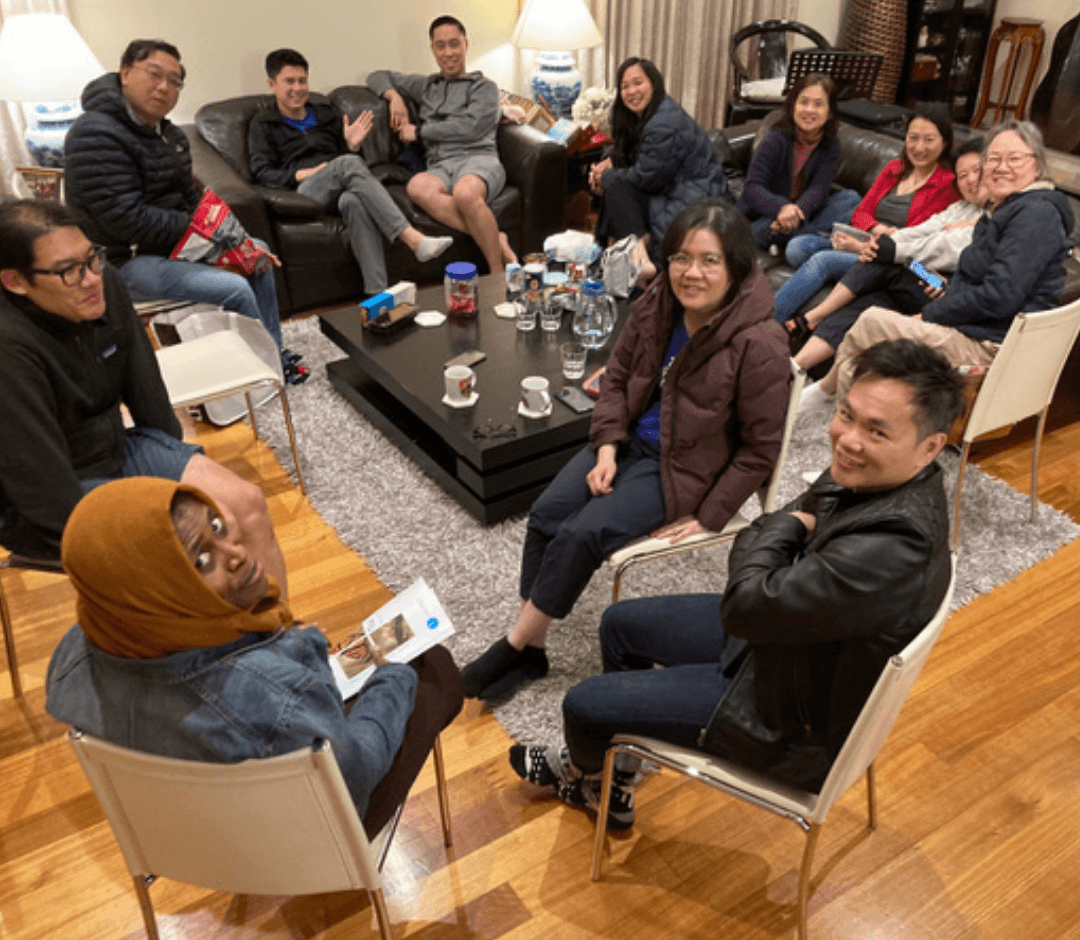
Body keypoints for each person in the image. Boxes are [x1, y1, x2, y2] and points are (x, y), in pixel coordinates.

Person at [508, 339, 964, 829]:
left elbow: (748, 594)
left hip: (786, 717)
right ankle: (618, 767)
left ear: (931, 446)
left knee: (582, 704)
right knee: (618, 623)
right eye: (847, 415)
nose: (848, 439)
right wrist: (783, 531)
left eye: (877, 431)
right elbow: (769, 536)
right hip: (789, 644)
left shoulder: (893, 544)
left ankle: (585, 776)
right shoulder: (868, 478)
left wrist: (785, 529)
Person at [461, 200, 791, 703]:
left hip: (680, 470)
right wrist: (608, 446)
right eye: (681, 257)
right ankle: (535, 645)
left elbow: (760, 450)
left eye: (709, 260)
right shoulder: (660, 299)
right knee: (547, 515)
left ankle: (513, 644)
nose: (691, 273)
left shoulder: (760, 343)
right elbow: (617, 377)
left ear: (737, 267)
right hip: (630, 443)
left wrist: (712, 514)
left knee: (580, 533)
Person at [45, 477, 464, 835]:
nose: (238, 554)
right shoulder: (276, 694)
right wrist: (392, 679)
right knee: (434, 668)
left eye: (216, 524)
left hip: (189, 838)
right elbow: (354, 778)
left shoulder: (74, 656)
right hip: (304, 842)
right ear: (158, 591)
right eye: (203, 560)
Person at [0, 199, 286, 596]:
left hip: (118, 450)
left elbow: (148, 393)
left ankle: (284, 640)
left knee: (245, 503)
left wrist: (177, 471)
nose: (90, 279)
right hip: (52, 494)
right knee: (185, 550)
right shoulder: (9, 347)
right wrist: (161, 517)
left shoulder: (106, 286)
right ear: (15, 281)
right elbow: (40, 483)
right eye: (68, 271)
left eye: (91, 258)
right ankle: (224, 651)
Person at [63, 39, 307, 384]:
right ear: (126, 73)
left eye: (174, 81)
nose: (164, 87)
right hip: (124, 261)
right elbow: (124, 218)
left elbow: (192, 201)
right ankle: (255, 375)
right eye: (154, 74)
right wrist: (208, 238)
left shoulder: (169, 134)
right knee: (234, 288)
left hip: (172, 247)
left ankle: (270, 355)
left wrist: (233, 241)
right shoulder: (94, 133)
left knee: (259, 255)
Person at [801, 120, 1073, 413]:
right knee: (868, 276)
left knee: (833, 262)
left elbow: (940, 250)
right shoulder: (955, 204)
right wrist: (876, 242)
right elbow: (891, 222)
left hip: (948, 301)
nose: (973, 179)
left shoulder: (1013, 213)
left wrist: (885, 248)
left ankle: (812, 333)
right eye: (990, 161)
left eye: (1013, 159)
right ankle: (818, 373)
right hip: (932, 282)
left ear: (1036, 165)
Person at [249, 48, 453, 297]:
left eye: (302, 80)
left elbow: (358, 168)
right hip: (304, 193)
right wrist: (305, 173)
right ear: (272, 84)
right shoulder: (263, 123)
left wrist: (352, 146)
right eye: (289, 81)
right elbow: (261, 172)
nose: (298, 87)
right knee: (346, 164)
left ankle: (377, 298)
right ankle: (412, 238)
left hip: (340, 187)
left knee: (353, 200)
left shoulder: (325, 113)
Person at [791, 137, 989, 372]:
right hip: (923, 274)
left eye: (977, 171)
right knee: (868, 306)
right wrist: (884, 244)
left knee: (892, 260)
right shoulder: (960, 208)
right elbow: (919, 231)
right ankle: (796, 367)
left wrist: (888, 248)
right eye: (963, 175)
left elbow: (945, 247)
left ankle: (815, 315)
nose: (971, 180)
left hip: (943, 287)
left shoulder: (993, 216)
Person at [774, 103, 959, 323]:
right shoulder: (894, 169)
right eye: (913, 138)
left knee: (823, 261)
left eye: (929, 140)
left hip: (892, 262)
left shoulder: (947, 185)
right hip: (866, 242)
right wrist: (875, 230)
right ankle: (853, 283)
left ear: (944, 142)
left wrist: (860, 246)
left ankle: (763, 324)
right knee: (797, 247)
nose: (919, 147)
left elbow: (913, 242)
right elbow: (861, 212)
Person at [366, 16, 516, 276]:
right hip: (440, 166)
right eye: (441, 46)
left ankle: (496, 272)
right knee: (417, 186)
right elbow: (377, 75)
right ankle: (496, 238)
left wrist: (421, 131)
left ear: (466, 45)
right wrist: (393, 96)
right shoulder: (426, 86)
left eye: (454, 44)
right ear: (433, 49)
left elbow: (471, 128)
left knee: (465, 194)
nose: (448, 53)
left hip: (478, 159)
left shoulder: (484, 87)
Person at [588, 57, 729, 283]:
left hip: (695, 197)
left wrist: (605, 176)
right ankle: (627, 254)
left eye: (638, 83)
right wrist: (610, 162)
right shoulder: (649, 113)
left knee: (615, 186)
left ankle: (632, 258)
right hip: (671, 185)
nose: (632, 91)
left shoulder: (663, 122)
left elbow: (647, 178)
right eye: (625, 86)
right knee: (615, 185)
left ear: (654, 83)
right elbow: (631, 152)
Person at [736, 73, 861, 253]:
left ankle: (791, 241)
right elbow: (753, 188)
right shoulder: (776, 139)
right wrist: (782, 209)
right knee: (755, 232)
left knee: (851, 199)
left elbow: (819, 189)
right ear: (793, 105)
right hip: (767, 214)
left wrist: (796, 212)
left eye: (818, 104)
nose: (809, 110)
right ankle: (806, 241)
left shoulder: (831, 145)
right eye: (804, 102)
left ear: (830, 111)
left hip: (802, 215)